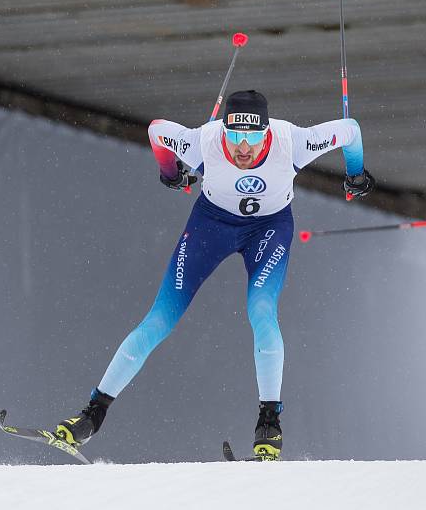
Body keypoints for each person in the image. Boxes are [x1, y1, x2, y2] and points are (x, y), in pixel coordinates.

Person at [54, 90, 375, 460]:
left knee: (262, 311)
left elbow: (349, 130)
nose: (242, 149)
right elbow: (157, 131)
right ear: (223, 130)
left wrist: (356, 174)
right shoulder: (205, 141)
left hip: (268, 230)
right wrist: (170, 171)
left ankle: (269, 425)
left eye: (252, 140)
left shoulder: (293, 142)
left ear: (266, 132)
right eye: (234, 138)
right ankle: (92, 416)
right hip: (211, 226)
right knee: (159, 318)